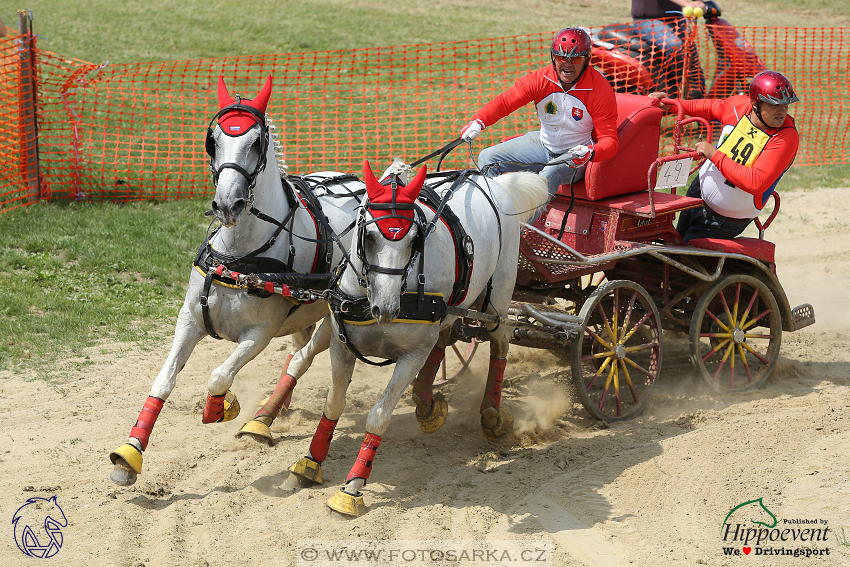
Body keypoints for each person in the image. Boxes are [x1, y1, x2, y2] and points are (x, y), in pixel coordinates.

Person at [459, 27, 618, 206]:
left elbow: (610, 142)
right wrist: (479, 121)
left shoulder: (600, 90)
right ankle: (490, 213)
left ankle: (520, 231)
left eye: (575, 59)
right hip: (543, 144)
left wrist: (590, 152)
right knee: (487, 158)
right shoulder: (540, 79)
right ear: (553, 57)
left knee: (545, 178)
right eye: (560, 58)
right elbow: (504, 102)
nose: (567, 64)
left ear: (587, 60)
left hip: (574, 155)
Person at [649, 70, 800, 242]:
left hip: (725, 220)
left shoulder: (786, 137)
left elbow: (756, 181)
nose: (782, 111)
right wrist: (674, 105)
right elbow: (712, 107)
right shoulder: (738, 106)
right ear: (755, 104)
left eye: (786, 105)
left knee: (680, 258)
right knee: (671, 244)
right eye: (774, 105)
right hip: (697, 193)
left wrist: (714, 154)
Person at [631, 0, 706, 98]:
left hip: (677, 20)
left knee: (691, 52)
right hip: (648, 20)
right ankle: (691, 92)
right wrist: (687, 4)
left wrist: (699, 3)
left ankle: (701, 99)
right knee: (675, 46)